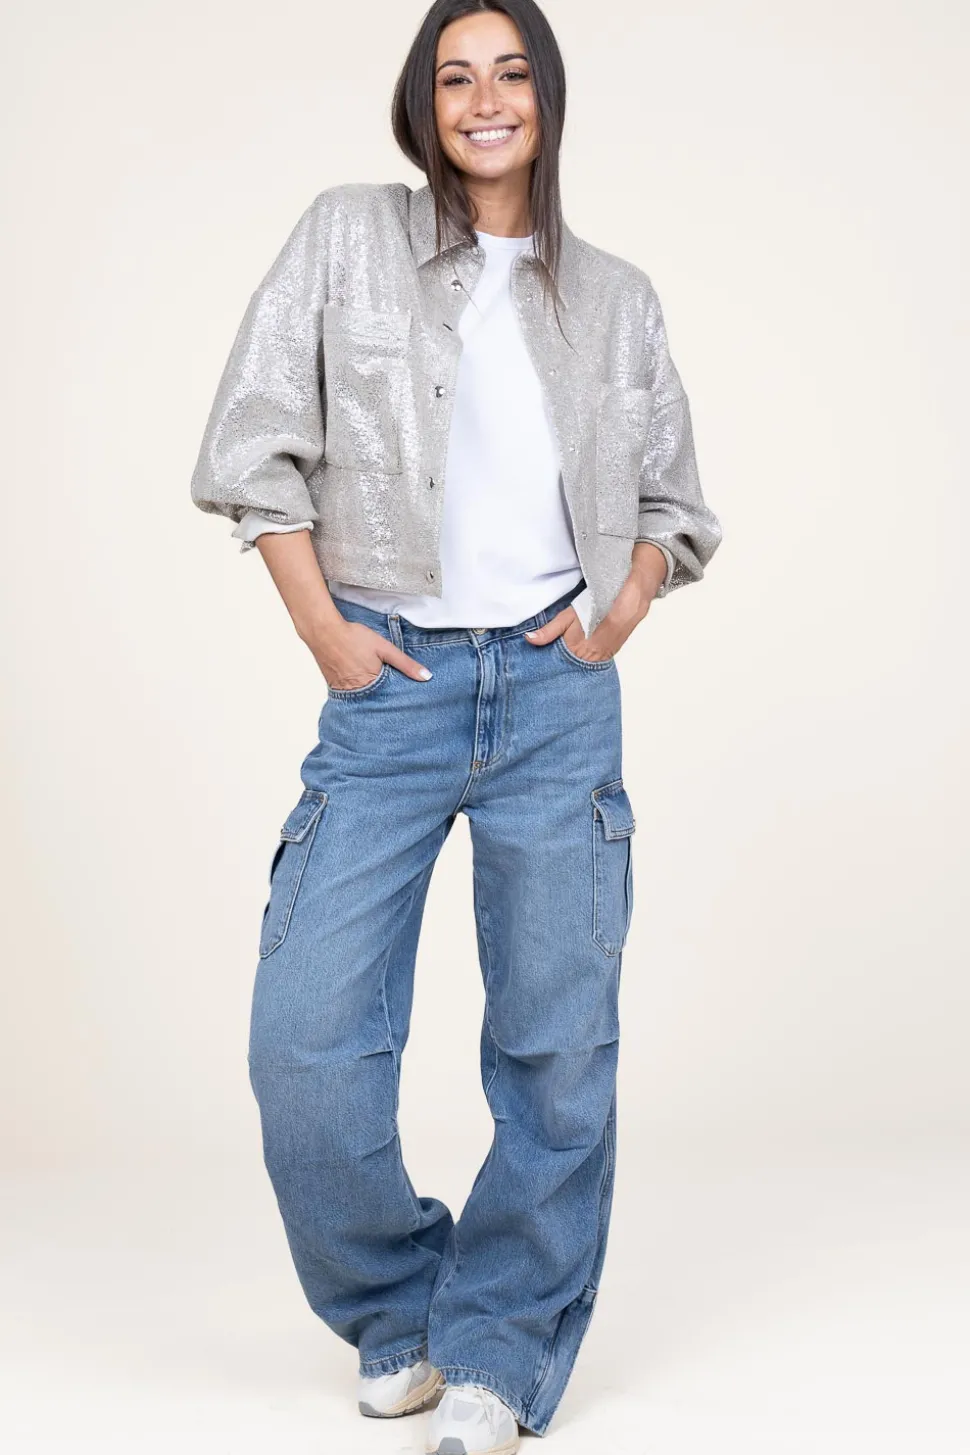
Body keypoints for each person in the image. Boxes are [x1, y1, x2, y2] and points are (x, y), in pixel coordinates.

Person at [190, 1, 722, 1449]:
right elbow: (252, 445)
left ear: (547, 97)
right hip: (392, 690)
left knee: (555, 1047)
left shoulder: (615, 297)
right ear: (422, 103)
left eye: (510, 73)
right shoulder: (345, 235)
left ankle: (501, 1345)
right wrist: (322, 630)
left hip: (555, 696)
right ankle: (401, 1304)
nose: (485, 99)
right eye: (455, 76)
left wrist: (620, 610)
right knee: (305, 1044)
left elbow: (672, 503)